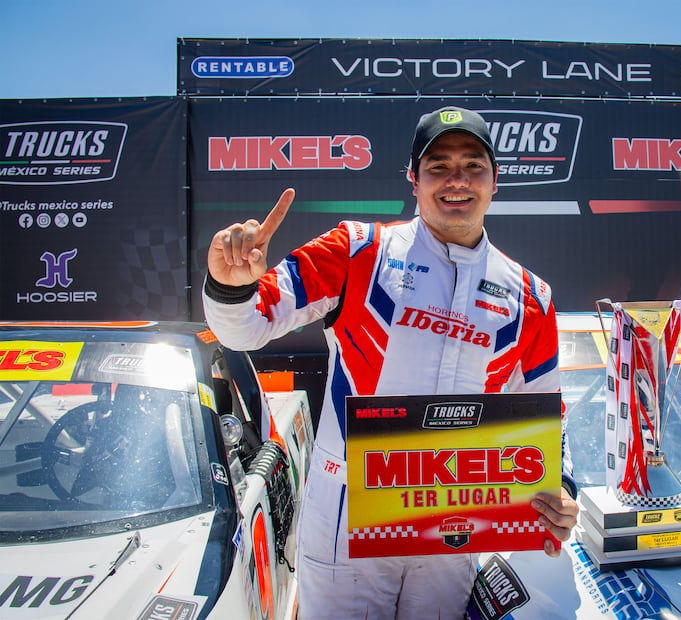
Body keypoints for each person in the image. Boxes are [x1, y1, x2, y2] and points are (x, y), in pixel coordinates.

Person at [202, 106, 579, 619]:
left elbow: (544, 416)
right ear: (413, 179)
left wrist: (560, 491)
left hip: (454, 519)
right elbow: (247, 326)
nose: (456, 181)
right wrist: (231, 284)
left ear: (495, 181)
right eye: (438, 166)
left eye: (473, 165)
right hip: (346, 511)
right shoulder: (359, 250)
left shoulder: (530, 295)